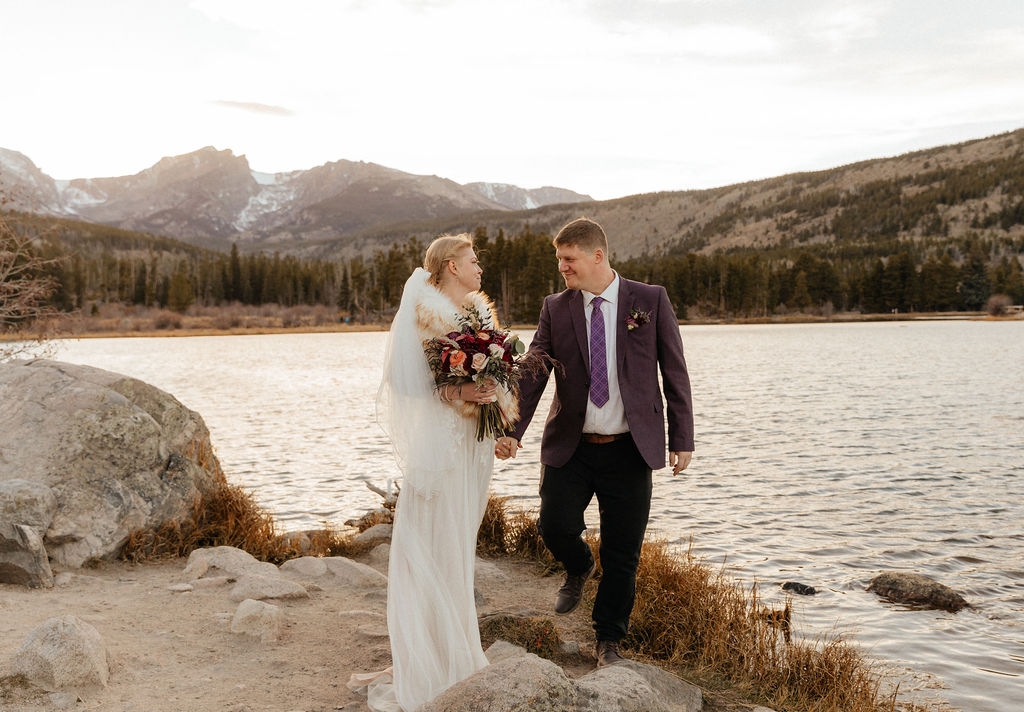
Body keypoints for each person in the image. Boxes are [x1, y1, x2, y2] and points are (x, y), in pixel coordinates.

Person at [495, 216, 694, 667]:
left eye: (569, 259)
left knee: (623, 553)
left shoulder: (650, 300)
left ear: (596, 256)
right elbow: (534, 371)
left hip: (631, 448)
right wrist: (510, 430)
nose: (562, 268)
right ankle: (579, 565)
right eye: (559, 260)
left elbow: (675, 372)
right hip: (573, 444)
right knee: (554, 523)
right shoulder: (556, 307)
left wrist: (682, 438)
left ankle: (608, 642)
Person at [349, 234, 515, 711]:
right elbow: (407, 382)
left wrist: (503, 425)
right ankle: (427, 661)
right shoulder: (425, 316)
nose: (479, 266)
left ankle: (455, 647)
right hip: (441, 446)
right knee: (431, 540)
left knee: (458, 542)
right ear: (450, 266)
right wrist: (460, 394)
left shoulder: (480, 317)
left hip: (473, 446)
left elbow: (495, 380)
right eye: (472, 260)